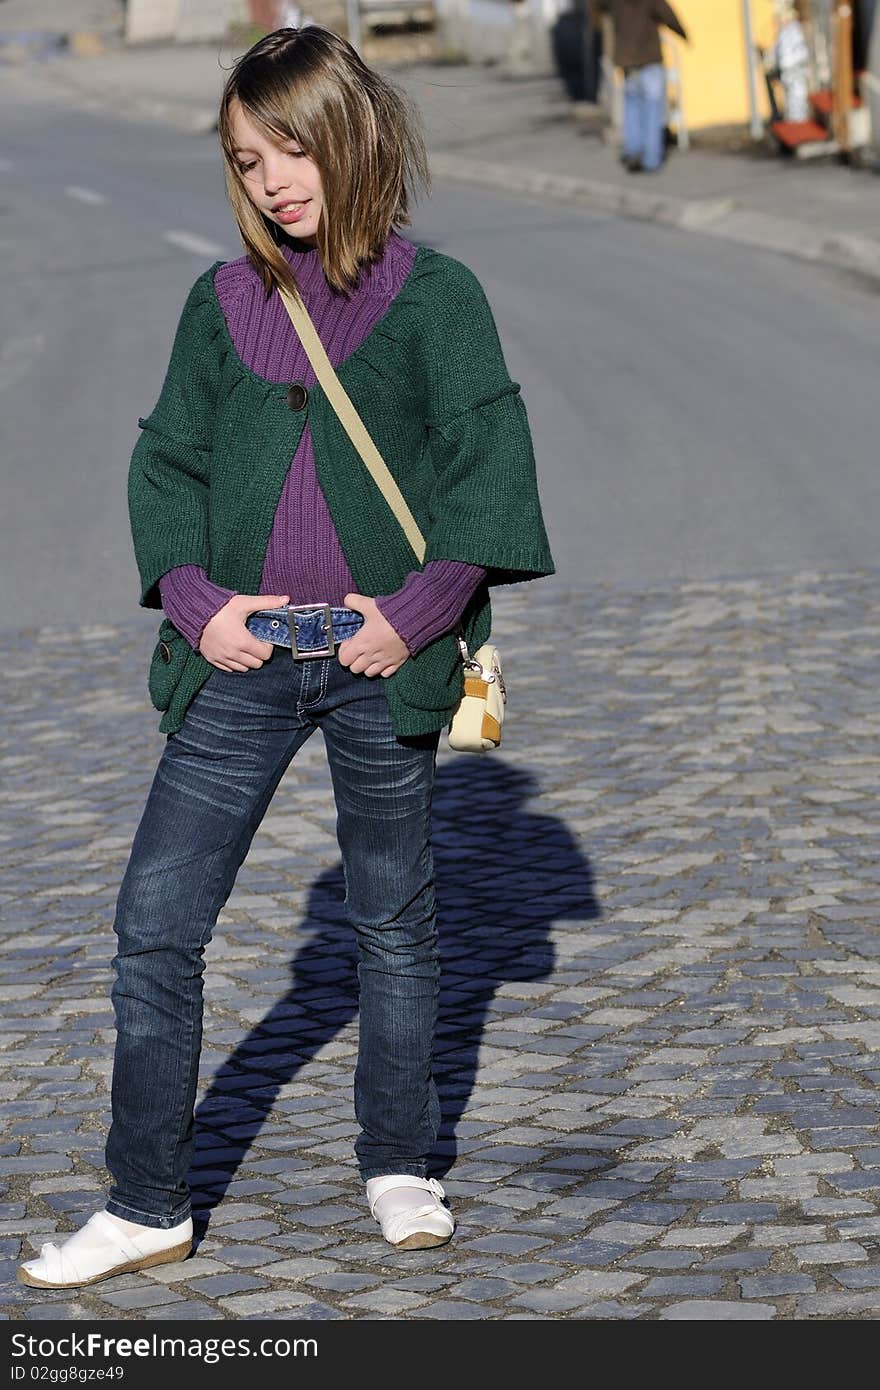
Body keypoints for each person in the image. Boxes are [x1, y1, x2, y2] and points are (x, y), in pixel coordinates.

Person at [17, 24, 553, 1290]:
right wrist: (197, 602)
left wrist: (408, 619)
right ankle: (149, 1199)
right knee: (155, 920)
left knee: (395, 927)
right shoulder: (220, 303)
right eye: (249, 160)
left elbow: (488, 480)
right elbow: (170, 461)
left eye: (293, 149)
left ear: (352, 137)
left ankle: (397, 1160)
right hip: (243, 664)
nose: (273, 182)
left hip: (378, 662)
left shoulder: (439, 298)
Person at [593, 0, 688, 173]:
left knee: (632, 106)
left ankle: (633, 151)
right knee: (652, 109)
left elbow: (598, 6)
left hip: (626, 59)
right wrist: (683, 34)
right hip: (649, 57)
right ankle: (651, 159)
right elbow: (667, 14)